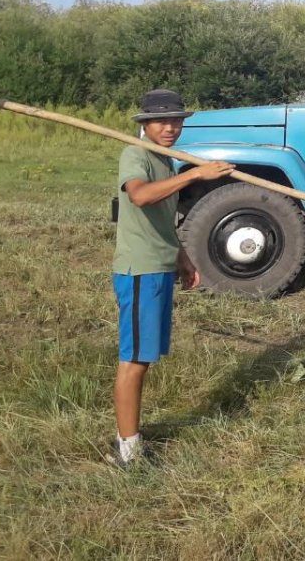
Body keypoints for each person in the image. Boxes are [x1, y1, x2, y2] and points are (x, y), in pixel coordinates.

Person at [110, 89, 233, 467]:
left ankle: (129, 439)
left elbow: (162, 219)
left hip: (161, 266)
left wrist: (183, 258)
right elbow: (140, 197)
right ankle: (127, 450)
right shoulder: (136, 155)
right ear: (145, 124)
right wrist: (196, 173)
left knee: (145, 357)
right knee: (134, 359)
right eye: (162, 121)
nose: (171, 128)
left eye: (177, 121)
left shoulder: (166, 161)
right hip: (140, 269)